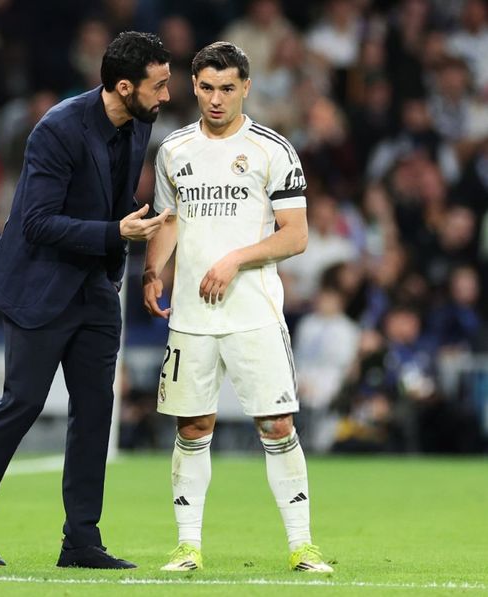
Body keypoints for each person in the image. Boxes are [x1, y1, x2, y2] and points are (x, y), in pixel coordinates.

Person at [0, 31, 171, 570]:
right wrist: (115, 233)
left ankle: (81, 540)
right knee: (21, 403)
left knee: (96, 411)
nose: (166, 96)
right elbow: (37, 222)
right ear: (124, 86)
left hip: (96, 287)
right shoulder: (58, 129)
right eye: (158, 85)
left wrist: (119, 252)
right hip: (41, 286)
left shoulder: (140, 123)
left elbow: (112, 199)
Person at [143, 42, 333, 573]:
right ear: (193, 86)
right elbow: (169, 220)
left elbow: (295, 235)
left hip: (254, 313)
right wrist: (152, 270)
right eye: (207, 87)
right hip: (192, 317)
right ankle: (187, 547)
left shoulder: (273, 150)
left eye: (227, 88)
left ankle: (302, 545)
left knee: (276, 425)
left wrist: (234, 260)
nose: (216, 99)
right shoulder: (174, 150)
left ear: (246, 87)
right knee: (192, 427)